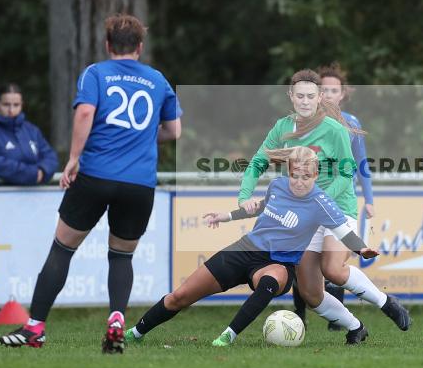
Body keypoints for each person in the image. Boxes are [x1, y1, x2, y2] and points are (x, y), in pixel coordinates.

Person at [0, 13, 182, 353]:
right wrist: (139, 137)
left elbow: (84, 113)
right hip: (138, 184)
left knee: (63, 248)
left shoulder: (96, 73)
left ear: (108, 45)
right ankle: (116, 318)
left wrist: (73, 157)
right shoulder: (158, 80)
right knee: (121, 257)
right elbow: (174, 131)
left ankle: (35, 327)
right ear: (140, 47)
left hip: (96, 175)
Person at [127, 147, 379, 346]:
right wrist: (226, 216)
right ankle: (135, 333)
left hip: (279, 263)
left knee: (270, 281)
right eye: (294, 175)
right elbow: (259, 207)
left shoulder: (321, 202)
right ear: (287, 173)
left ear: (315, 176)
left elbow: (343, 230)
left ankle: (228, 335)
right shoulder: (277, 186)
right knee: (179, 297)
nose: (299, 181)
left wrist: (361, 249)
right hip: (245, 249)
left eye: (305, 176)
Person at [238, 69, 411, 341]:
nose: (305, 102)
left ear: (319, 97)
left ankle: (386, 303)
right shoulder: (283, 127)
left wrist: (321, 200)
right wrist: (244, 196)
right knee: (310, 292)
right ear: (291, 97)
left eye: (310, 96)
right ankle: (356, 327)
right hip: (304, 215)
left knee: (333, 269)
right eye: (299, 96)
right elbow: (259, 160)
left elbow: (347, 172)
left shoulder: (335, 130)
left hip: (337, 208)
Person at [318, 63, 375, 328]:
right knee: (304, 255)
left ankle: (337, 319)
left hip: (340, 200)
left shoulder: (351, 123)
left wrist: (370, 200)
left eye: (333, 90)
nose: (328, 94)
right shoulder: (306, 121)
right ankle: (300, 314)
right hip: (310, 196)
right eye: (323, 89)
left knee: (333, 260)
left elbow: (361, 163)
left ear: (342, 94)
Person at [0, 84, 59, 185]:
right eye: (6, 104)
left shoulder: (32, 130)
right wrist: (31, 174)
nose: (11, 110)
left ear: (22, 105)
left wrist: (43, 170)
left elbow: (51, 157)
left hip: (32, 197)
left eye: (16, 105)